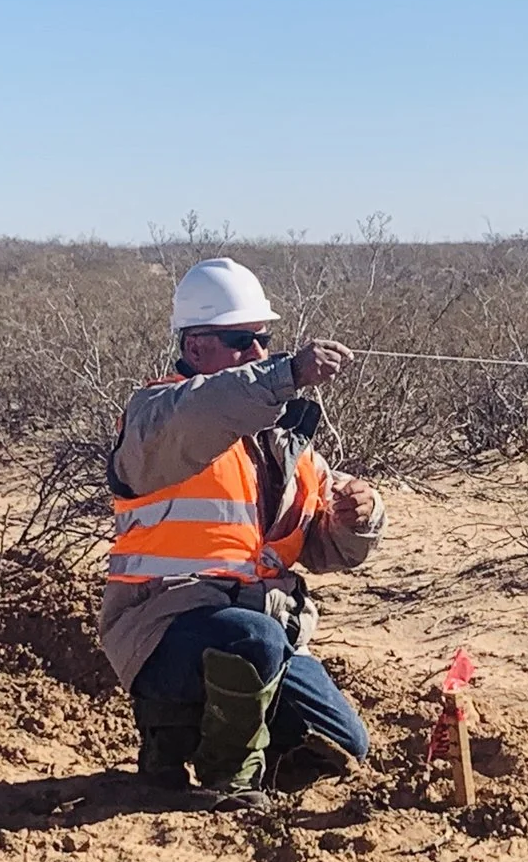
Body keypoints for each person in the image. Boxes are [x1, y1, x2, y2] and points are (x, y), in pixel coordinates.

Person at [101, 256, 385, 808]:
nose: (257, 353)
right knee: (249, 638)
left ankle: (217, 738)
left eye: (264, 339)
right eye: (242, 341)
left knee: (344, 744)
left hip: (263, 626)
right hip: (161, 628)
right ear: (195, 345)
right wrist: (285, 374)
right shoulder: (154, 417)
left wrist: (361, 517)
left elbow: (326, 547)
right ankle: (217, 775)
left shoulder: (281, 440)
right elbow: (206, 410)